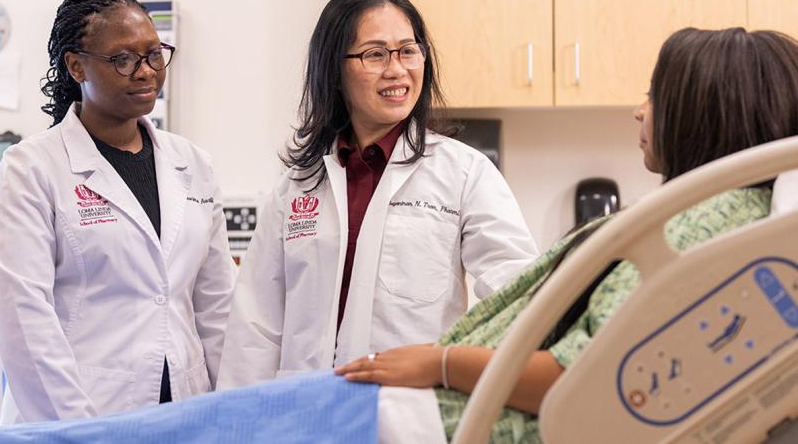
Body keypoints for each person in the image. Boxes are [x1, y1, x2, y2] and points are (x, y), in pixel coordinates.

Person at [335, 27, 798, 441]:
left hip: (449, 417)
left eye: (654, 95)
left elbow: (590, 377)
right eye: (373, 54)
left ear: (702, 114)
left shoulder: (697, 230)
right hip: (441, 401)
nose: (640, 111)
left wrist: (441, 363)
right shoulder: (716, 217)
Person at [217, 0, 538, 388]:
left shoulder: (465, 173)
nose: (397, 70)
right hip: (307, 409)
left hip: (408, 409)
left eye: (408, 50)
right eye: (375, 54)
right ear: (335, 69)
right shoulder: (297, 187)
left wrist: (462, 368)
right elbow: (256, 326)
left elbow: (519, 293)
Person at [0, 0, 236, 424]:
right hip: (78, 412)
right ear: (76, 67)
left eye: (154, 54)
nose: (145, 71)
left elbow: (217, 307)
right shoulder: (32, 168)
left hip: (184, 411)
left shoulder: (194, 164)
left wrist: (232, 412)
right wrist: (80, 430)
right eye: (122, 59)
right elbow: (25, 321)